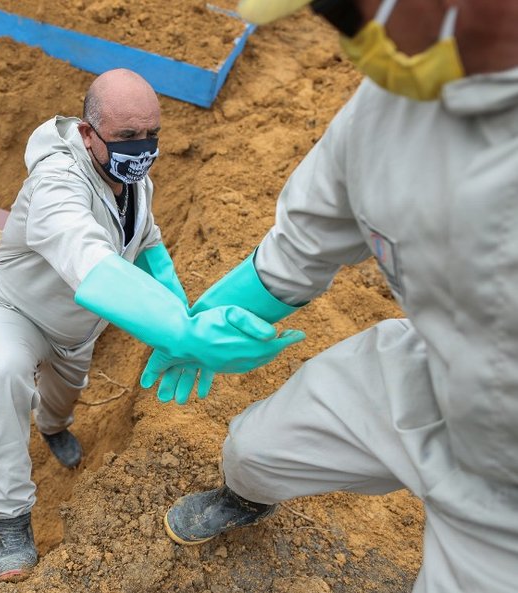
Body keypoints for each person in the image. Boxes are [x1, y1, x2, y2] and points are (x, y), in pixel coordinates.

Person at [149, 1, 518, 591]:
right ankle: (246, 499)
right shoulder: (386, 111)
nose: (347, 31)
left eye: (346, 9)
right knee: (255, 449)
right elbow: (302, 244)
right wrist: (207, 322)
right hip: (434, 366)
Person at [0, 68, 303, 582]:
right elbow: (88, 257)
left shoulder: (133, 179)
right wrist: (177, 331)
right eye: (126, 137)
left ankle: (52, 426)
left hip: (79, 329)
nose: (142, 147)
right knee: (2, 374)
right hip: (15, 310)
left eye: (151, 134)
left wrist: (182, 315)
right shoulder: (56, 182)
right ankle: (9, 520)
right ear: (86, 133)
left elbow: (147, 247)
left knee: (61, 399)